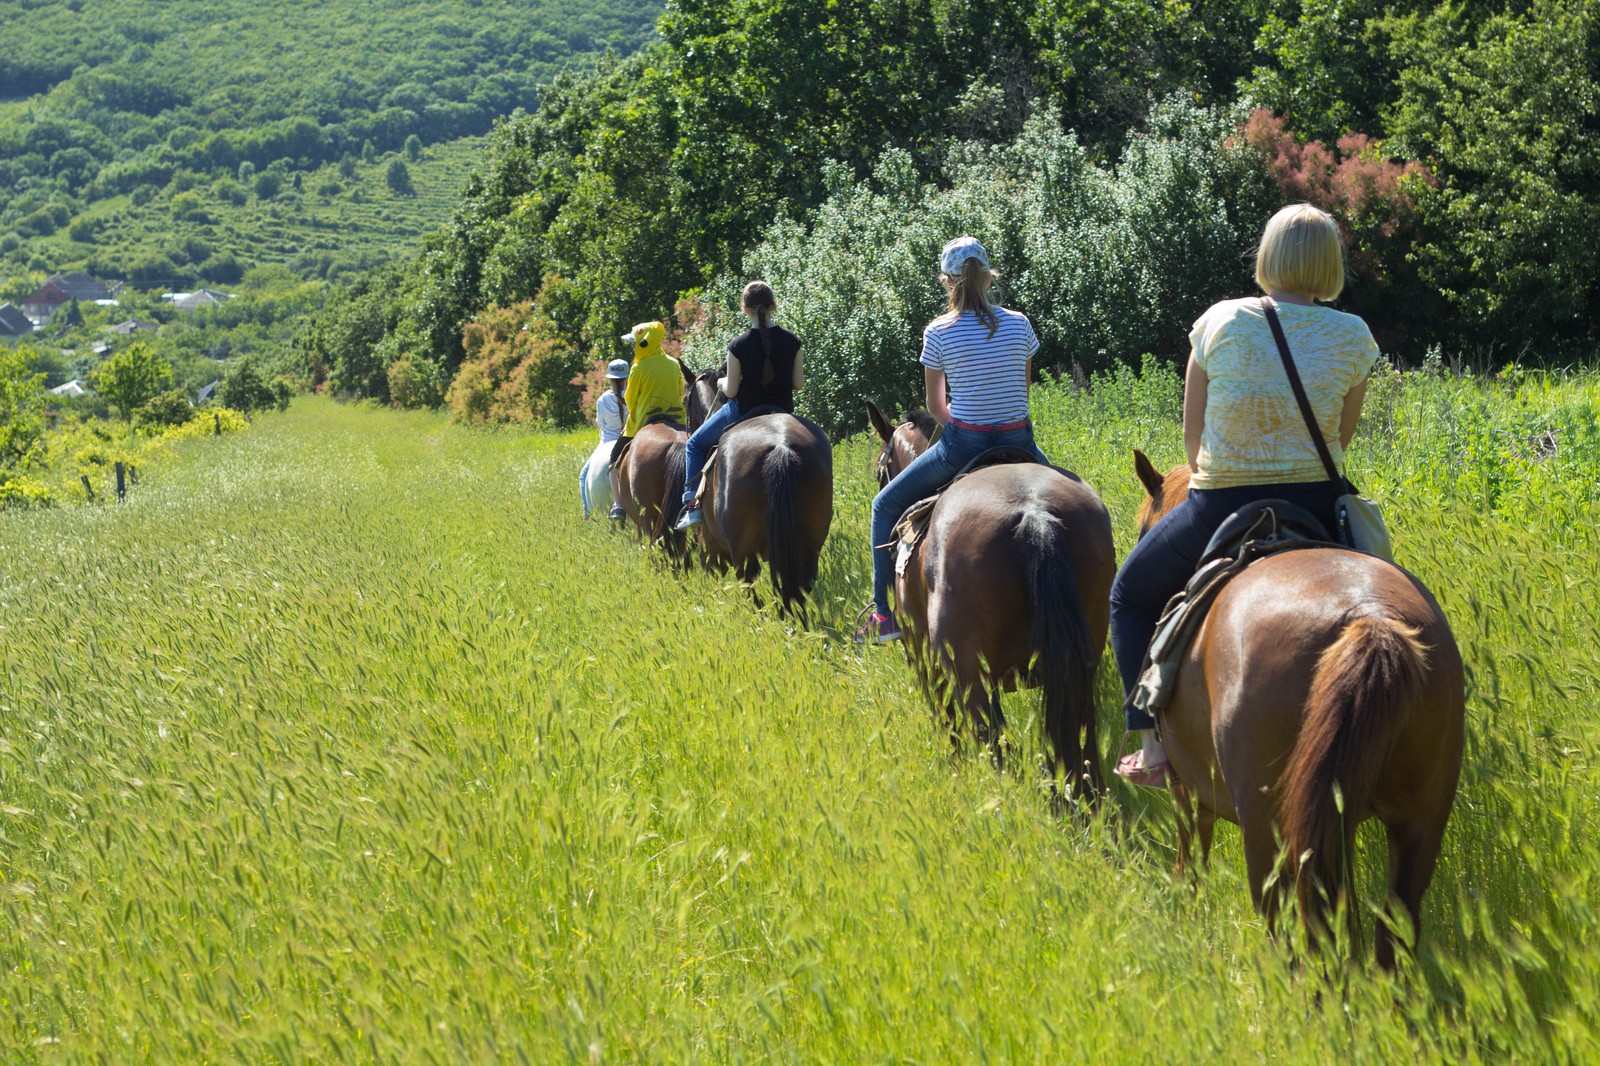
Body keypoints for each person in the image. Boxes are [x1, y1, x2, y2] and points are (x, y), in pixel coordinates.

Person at [1110, 203, 1380, 787]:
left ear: (1268, 256)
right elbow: (1340, 440)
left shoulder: (1220, 321)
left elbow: (1193, 439)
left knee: (1128, 598)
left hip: (1218, 505)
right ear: (1331, 264)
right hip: (1313, 505)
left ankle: (1153, 745)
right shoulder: (1355, 335)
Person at [855, 235, 1050, 645]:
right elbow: (1024, 390)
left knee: (884, 503)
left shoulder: (939, 332)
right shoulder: (1020, 322)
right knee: (1074, 497)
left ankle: (884, 616)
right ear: (986, 276)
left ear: (948, 281)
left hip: (964, 443)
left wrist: (964, 425)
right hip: (1020, 440)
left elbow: (936, 406)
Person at [675, 281, 804, 530]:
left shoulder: (738, 345)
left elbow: (732, 390)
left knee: (693, 444)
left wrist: (722, 382)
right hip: (783, 412)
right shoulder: (793, 341)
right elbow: (798, 384)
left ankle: (691, 506)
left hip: (743, 412)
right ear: (773, 305)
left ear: (744, 309)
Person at [607, 320, 687, 519]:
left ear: (644, 344)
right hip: (677, 419)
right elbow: (680, 392)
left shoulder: (638, 368)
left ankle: (618, 505)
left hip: (643, 422)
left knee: (613, 462)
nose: (633, 347)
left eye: (635, 343)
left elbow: (630, 399)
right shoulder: (673, 363)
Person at [579, 358, 629, 519]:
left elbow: (601, 424)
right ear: (627, 377)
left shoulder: (602, 399)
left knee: (583, 475)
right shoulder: (633, 395)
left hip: (607, 442)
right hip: (629, 440)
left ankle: (587, 514)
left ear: (610, 378)